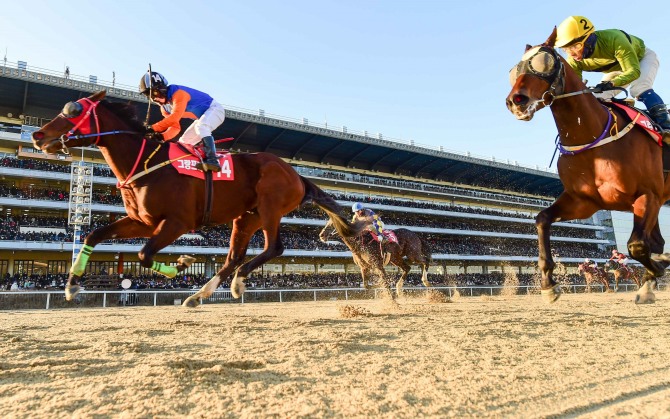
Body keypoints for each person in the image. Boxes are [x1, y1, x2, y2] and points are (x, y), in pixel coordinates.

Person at [555, 15, 670, 133]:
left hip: (640, 60)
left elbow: (633, 72)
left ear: (589, 39)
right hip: (616, 69)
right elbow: (576, 91)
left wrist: (612, 83)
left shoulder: (614, 39)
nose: (571, 53)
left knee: (639, 88)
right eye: (566, 49)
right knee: (598, 99)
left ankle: (666, 125)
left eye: (575, 46)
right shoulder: (573, 61)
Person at [139, 71, 224, 172]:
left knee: (201, 127)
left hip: (215, 110)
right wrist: (162, 136)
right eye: (150, 96)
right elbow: (175, 127)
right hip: (202, 117)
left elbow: (175, 117)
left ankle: (212, 159)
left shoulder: (178, 93)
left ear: (162, 88)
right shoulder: (165, 108)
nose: (154, 98)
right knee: (183, 143)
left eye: (154, 93)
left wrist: (152, 128)